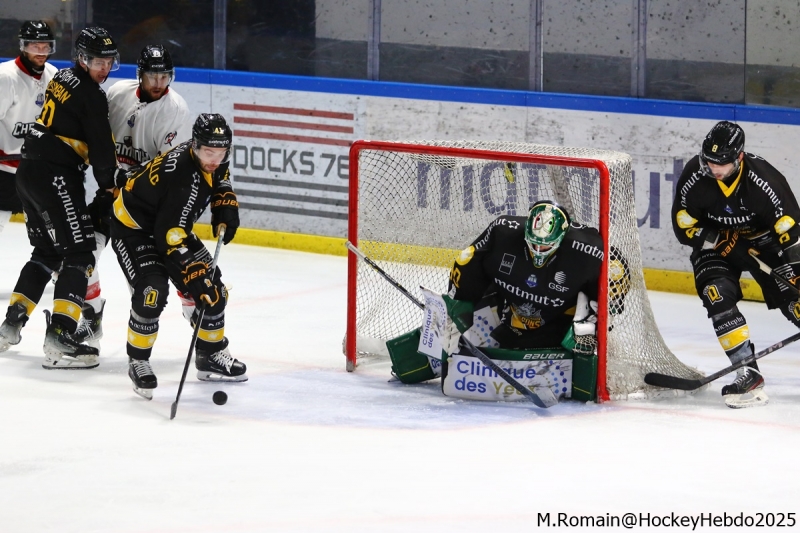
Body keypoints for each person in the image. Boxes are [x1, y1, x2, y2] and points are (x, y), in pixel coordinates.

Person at [0, 27, 121, 368]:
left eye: (109, 61)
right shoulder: (92, 95)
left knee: (47, 252)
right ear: (83, 59)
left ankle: (11, 325)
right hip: (55, 177)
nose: (104, 68)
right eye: (98, 61)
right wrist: (110, 184)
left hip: (28, 172)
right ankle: (61, 335)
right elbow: (101, 148)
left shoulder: (63, 77)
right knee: (80, 253)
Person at [110, 113, 245, 399]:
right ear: (195, 145)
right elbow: (169, 240)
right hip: (134, 228)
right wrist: (192, 273)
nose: (215, 158)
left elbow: (219, 172)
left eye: (221, 152)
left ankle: (209, 355)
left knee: (214, 289)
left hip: (169, 225)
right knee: (152, 290)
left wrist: (224, 200)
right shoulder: (182, 179)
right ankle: (139, 361)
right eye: (209, 152)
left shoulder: (206, 156)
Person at [671, 120, 800, 408]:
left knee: (796, 300)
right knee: (715, 294)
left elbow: (791, 233)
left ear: (739, 157)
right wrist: (717, 239)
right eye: (708, 160)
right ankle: (748, 372)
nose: (712, 168)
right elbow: (683, 226)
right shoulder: (696, 176)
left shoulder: (765, 183)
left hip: (767, 244)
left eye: (721, 163)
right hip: (717, 244)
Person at [74, 44, 192, 350]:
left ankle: (202, 332)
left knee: (147, 284)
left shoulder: (175, 111)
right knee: (77, 255)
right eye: (152, 76)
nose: (157, 83)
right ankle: (92, 312)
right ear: (140, 75)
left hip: (146, 209)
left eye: (164, 77)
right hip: (110, 198)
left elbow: (170, 170)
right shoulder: (117, 94)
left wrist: (128, 182)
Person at [445, 201, 606, 354]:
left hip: (558, 324)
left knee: (585, 333)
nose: (538, 249)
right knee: (440, 343)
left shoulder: (587, 249)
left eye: (545, 246)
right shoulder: (502, 231)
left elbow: (617, 268)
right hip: (507, 314)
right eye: (534, 243)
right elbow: (467, 259)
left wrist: (606, 307)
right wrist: (458, 303)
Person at [0, 21, 58, 232]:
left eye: (46, 47)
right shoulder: (5, 77)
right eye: (35, 46)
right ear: (23, 46)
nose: (41, 52)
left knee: (50, 230)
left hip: (38, 171)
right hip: (5, 171)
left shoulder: (52, 74)